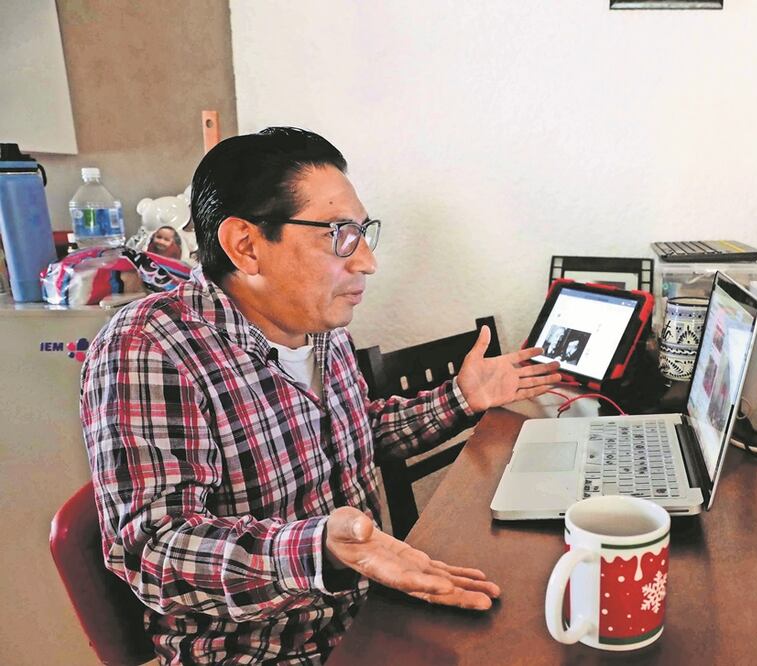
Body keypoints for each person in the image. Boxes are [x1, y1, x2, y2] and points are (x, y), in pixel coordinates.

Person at [79, 127, 562, 664]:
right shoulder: (150, 346)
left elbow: (353, 434)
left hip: (369, 614)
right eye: (340, 234)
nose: (367, 262)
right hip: (266, 651)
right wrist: (319, 549)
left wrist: (461, 398)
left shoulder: (321, 327)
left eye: (362, 232)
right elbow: (154, 552)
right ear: (246, 246)